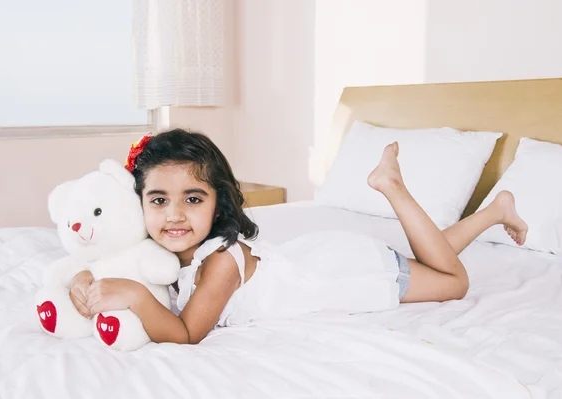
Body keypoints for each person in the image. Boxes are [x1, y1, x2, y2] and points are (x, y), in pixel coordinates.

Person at [68, 129, 528, 345]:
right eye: (158, 201)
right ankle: (493, 212)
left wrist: (132, 295)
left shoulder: (221, 263)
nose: (174, 216)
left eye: (192, 199)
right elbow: (116, 262)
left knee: (452, 281)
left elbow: (186, 333)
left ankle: (391, 187)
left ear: (218, 202)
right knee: (427, 261)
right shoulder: (160, 246)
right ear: (140, 204)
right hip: (319, 256)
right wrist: (87, 278)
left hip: (342, 271)